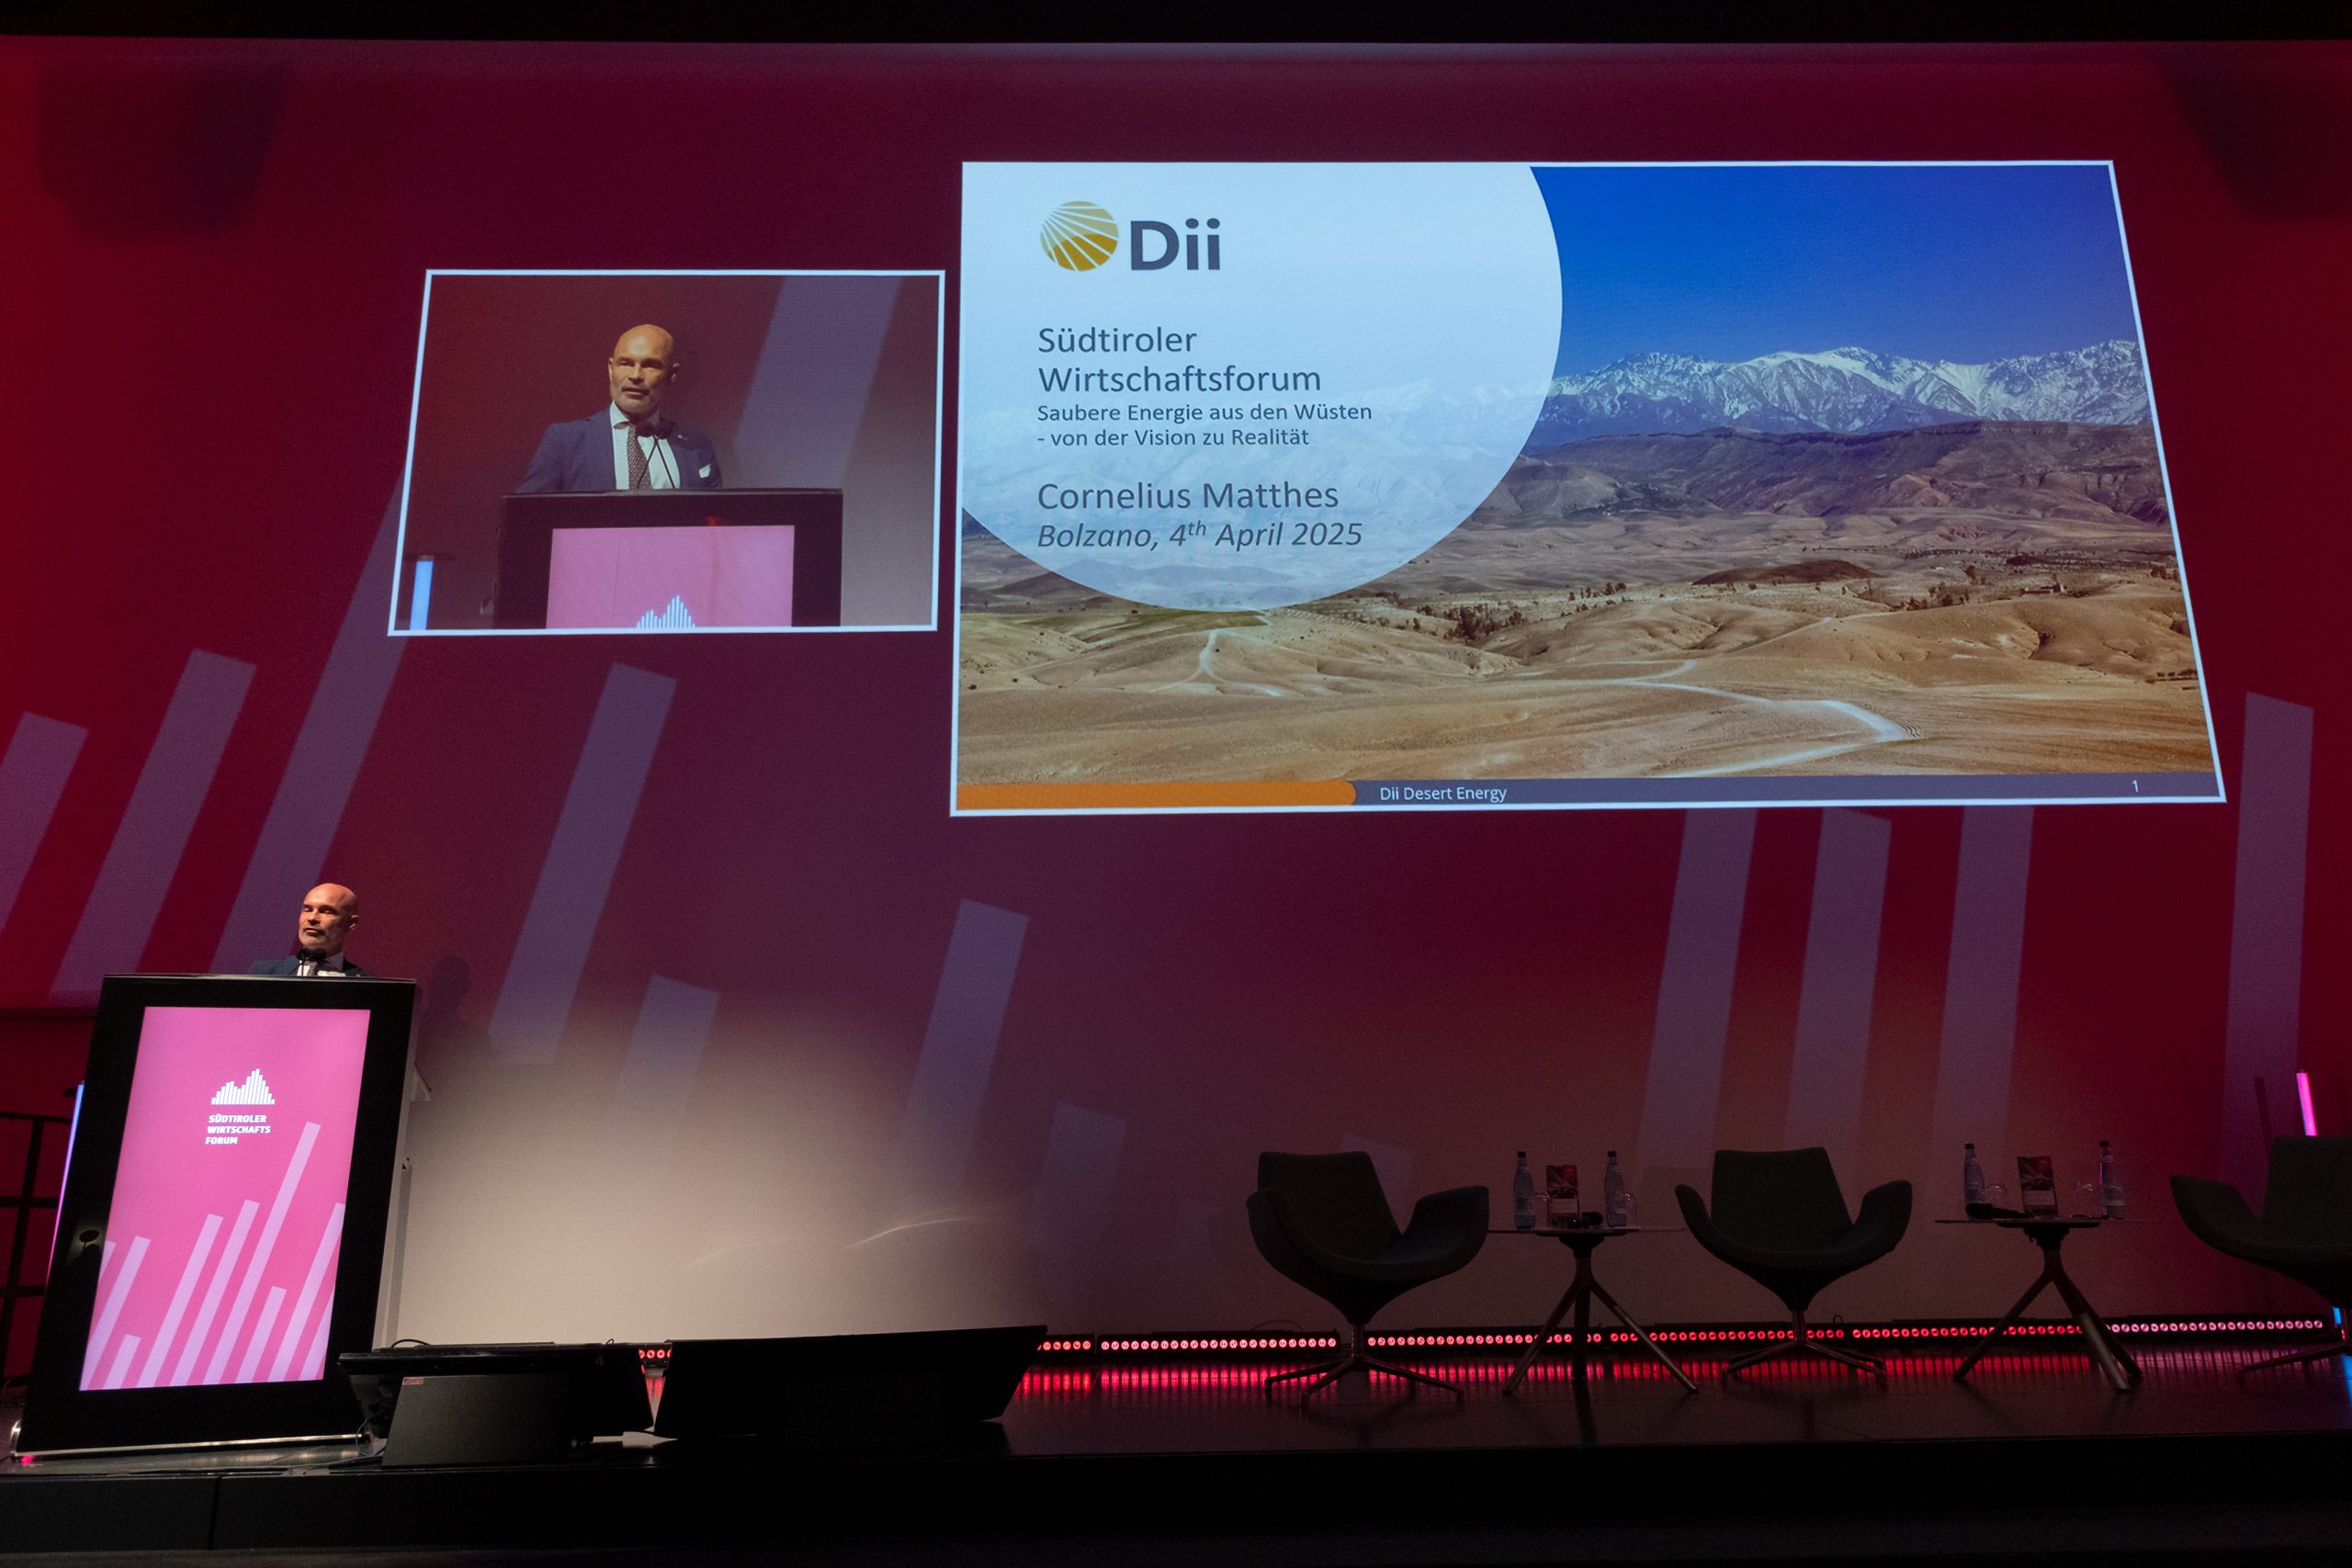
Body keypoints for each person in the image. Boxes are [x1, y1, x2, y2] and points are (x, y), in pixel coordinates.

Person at [515, 324, 723, 493]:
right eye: (626, 363)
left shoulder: (697, 446)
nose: (636, 375)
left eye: (650, 365)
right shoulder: (565, 441)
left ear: (671, 375)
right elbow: (528, 517)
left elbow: (717, 522)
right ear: (610, 369)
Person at [249, 884, 370, 977]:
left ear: (350, 923)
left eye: (326, 911)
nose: (312, 918)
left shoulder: (366, 983)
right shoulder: (264, 972)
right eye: (307, 909)